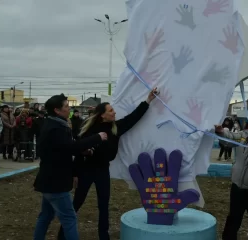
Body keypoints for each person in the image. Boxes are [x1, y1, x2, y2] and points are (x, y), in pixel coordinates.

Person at [57, 88, 159, 240]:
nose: (114, 112)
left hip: (103, 171)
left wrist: (149, 100)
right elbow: (78, 152)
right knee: (77, 203)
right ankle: (62, 235)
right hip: (86, 170)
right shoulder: (88, 130)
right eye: (111, 110)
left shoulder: (115, 128)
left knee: (104, 205)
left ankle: (103, 236)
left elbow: (134, 117)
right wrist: (75, 174)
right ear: (102, 115)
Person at [33, 94, 108, 240]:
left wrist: (81, 150)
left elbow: (64, 148)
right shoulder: (56, 128)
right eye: (66, 106)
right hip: (56, 182)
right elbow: (71, 147)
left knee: (46, 216)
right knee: (69, 218)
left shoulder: (55, 124)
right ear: (57, 110)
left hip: (48, 181)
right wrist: (97, 137)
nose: (69, 109)